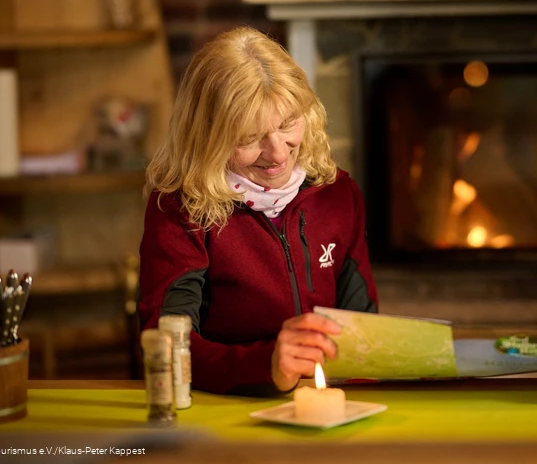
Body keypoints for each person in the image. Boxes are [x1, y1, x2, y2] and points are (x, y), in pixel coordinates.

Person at [138, 26, 379, 395]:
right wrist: (266, 364)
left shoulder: (337, 193)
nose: (279, 153)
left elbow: (364, 328)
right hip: (222, 412)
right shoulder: (178, 208)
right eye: (249, 138)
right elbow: (168, 352)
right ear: (209, 137)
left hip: (327, 407)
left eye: (287, 125)